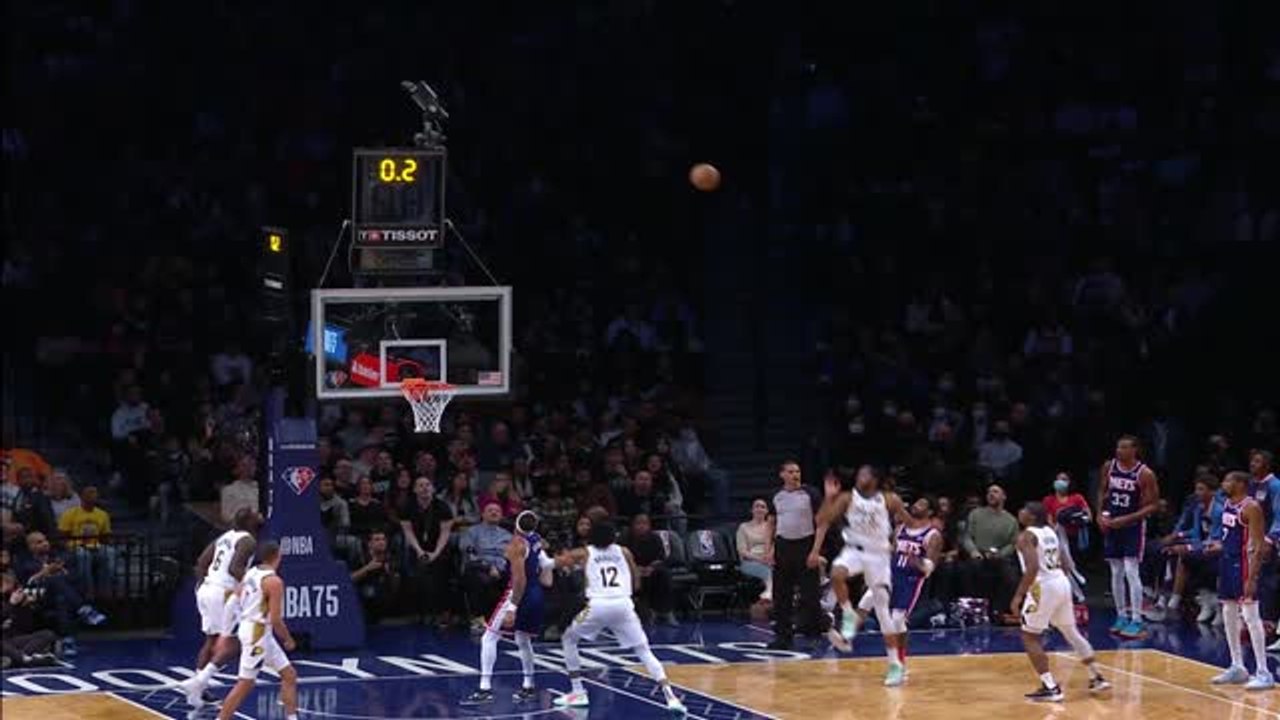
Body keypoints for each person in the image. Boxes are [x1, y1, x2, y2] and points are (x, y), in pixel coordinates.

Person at [550, 521, 685, 714]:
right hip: (623, 606)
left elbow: (560, 561)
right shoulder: (625, 551)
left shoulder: (585, 552)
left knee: (568, 639)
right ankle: (670, 696)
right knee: (644, 650)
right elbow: (636, 581)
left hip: (597, 606)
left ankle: (578, 691)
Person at [813, 465, 907, 686]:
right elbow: (821, 520)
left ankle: (895, 664)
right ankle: (848, 622)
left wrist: (897, 542)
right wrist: (829, 498)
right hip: (859, 553)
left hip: (881, 560)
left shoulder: (889, 501)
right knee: (845, 583)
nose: (859, 478)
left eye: (864, 474)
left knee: (885, 616)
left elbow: (904, 525)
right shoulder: (851, 499)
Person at [1013, 501, 1111, 702]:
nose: (1019, 512)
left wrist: (1018, 595)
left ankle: (1050, 687)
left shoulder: (1025, 536)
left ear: (1031, 517)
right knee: (1071, 632)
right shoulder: (1051, 532)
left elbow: (1031, 568)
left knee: (1030, 636)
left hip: (1043, 584)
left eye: (1023, 509)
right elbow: (1066, 564)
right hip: (1061, 581)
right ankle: (1096, 676)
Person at [461, 511, 554, 706]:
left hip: (520, 593)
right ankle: (528, 686)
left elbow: (520, 580)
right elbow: (546, 563)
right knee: (523, 639)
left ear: (516, 526)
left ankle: (484, 689)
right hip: (536, 593)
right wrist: (547, 576)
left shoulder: (516, 545)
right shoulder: (536, 539)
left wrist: (512, 607)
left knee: (489, 637)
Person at [178, 508, 263, 707]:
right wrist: (254, 583)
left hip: (207, 589)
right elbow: (235, 569)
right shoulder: (248, 540)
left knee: (211, 641)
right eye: (255, 514)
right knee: (234, 644)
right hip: (222, 593)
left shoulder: (225, 536)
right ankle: (200, 682)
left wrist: (201, 584)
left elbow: (201, 562)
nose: (259, 515)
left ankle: (196, 693)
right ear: (250, 522)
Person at [214, 542, 300, 720]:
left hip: (256, 630)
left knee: (289, 675)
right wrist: (288, 639)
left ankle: (292, 718)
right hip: (257, 634)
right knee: (245, 684)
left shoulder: (251, 573)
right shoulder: (274, 582)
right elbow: (276, 619)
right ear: (278, 556)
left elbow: (232, 602)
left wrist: (226, 631)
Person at [1208, 471, 1274, 690]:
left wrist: (1253, 577)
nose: (1224, 483)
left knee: (1251, 616)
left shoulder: (1251, 507)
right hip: (1227, 562)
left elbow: (1258, 546)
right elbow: (1231, 535)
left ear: (1241, 484)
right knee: (1228, 612)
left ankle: (1264, 672)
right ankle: (1238, 666)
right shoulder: (1227, 503)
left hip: (1244, 565)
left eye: (1228, 480)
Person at [1097, 435, 1161, 639]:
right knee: (1115, 572)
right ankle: (1121, 615)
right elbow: (1101, 490)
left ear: (1135, 450)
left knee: (1131, 571)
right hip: (1113, 524)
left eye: (1124, 447)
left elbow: (1153, 505)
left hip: (1132, 527)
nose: (1119, 451)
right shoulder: (1109, 466)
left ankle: (1136, 619)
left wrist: (1126, 519)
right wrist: (1099, 514)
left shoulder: (1145, 473)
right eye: (1118, 447)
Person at [879, 495, 941, 685]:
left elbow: (930, 567)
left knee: (898, 620)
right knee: (888, 620)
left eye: (922, 503)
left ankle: (899, 667)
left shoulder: (933, 535)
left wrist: (917, 561)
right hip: (892, 575)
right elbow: (891, 551)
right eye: (917, 501)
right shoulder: (901, 529)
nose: (916, 505)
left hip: (911, 580)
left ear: (929, 512)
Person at [1146, 474, 1224, 623]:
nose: (1197, 493)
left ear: (1212, 492)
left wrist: (1188, 547)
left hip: (1216, 549)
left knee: (1183, 555)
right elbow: (1195, 532)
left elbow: (1215, 538)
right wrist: (1179, 536)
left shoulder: (1219, 511)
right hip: (1201, 544)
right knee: (1165, 549)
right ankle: (1159, 596)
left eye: (1201, 489)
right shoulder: (1199, 508)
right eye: (1197, 489)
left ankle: (1173, 601)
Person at [770, 460, 824, 650]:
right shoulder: (776, 496)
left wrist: (815, 551)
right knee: (781, 595)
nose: (795, 475)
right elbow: (773, 522)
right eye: (791, 471)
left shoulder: (811, 494)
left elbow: (821, 524)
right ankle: (783, 638)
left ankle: (813, 635)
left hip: (805, 545)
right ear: (782, 474)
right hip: (783, 546)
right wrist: (771, 549)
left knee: (810, 595)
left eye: (798, 471)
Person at [1245, 449, 1280, 650]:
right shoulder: (1251, 485)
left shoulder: (1275, 485)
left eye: (1257, 461)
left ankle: (1269, 624)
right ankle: (1254, 624)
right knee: (1252, 581)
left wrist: (1270, 539)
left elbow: (1279, 515)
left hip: (1268, 542)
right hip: (1251, 540)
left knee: (1269, 583)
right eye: (1252, 461)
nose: (1253, 464)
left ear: (1267, 464)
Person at [57, 485, 117, 600]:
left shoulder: (102, 514)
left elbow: (106, 537)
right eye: (89, 493)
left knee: (110, 552)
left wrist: (109, 542)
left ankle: (106, 593)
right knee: (84, 555)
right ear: (82, 496)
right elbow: (62, 537)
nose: (92, 496)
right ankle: (88, 593)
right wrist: (68, 547)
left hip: (96, 547)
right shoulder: (70, 513)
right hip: (77, 547)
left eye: (94, 493)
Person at [736, 498, 774, 601]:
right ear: (751, 510)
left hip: (770, 560)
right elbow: (742, 551)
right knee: (767, 571)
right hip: (750, 561)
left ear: (767, 511)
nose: (759, 509)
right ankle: (769, 592)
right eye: (756, 506)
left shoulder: (770, 526)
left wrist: (769, 556)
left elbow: (775, 544)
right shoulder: (743, 527)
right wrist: (760, 559)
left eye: (763, 507)